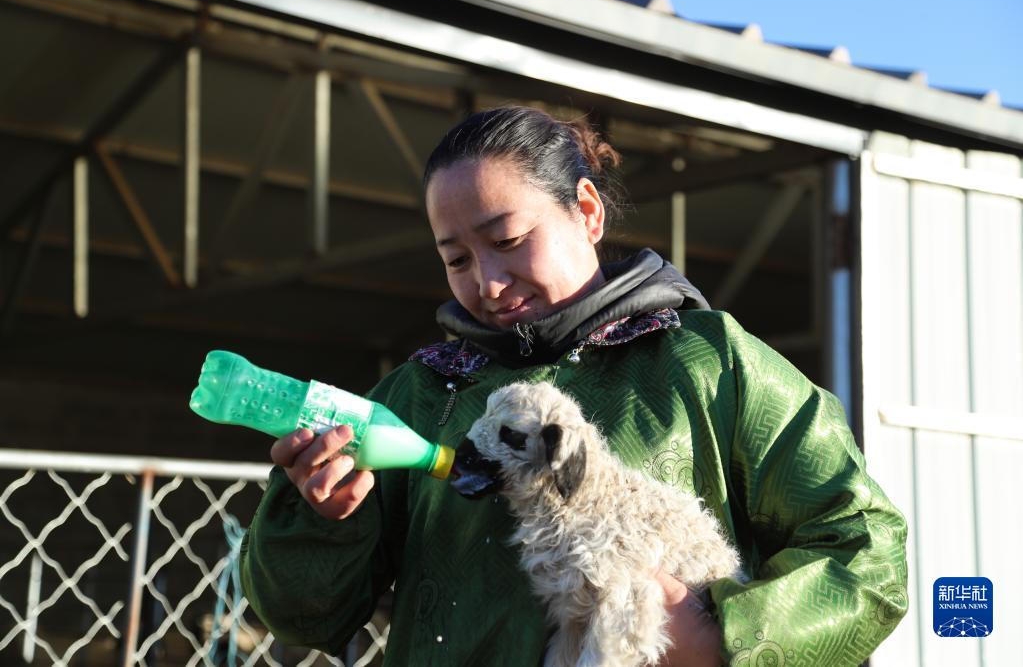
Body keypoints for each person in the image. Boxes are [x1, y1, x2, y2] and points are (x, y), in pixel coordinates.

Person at [240, 106, 908, 666]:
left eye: (508, 239)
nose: (487, 282)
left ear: (586, 211)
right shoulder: (418, 396)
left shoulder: (708, 363)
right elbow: (304, 618)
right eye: (456, 258)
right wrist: (324, 519)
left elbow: (864, 548)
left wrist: (720, 638)